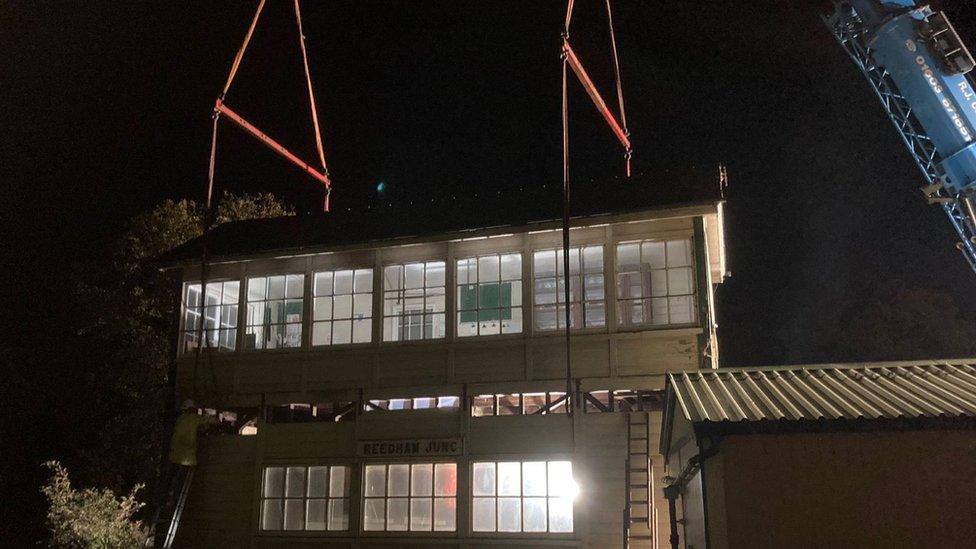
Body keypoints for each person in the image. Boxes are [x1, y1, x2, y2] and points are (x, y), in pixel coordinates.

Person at [168, 399, 218, 467]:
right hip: (187, 458)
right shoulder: (193, 418)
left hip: (175, 457)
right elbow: (212, 421)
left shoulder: (180, 419)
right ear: (192, 409)